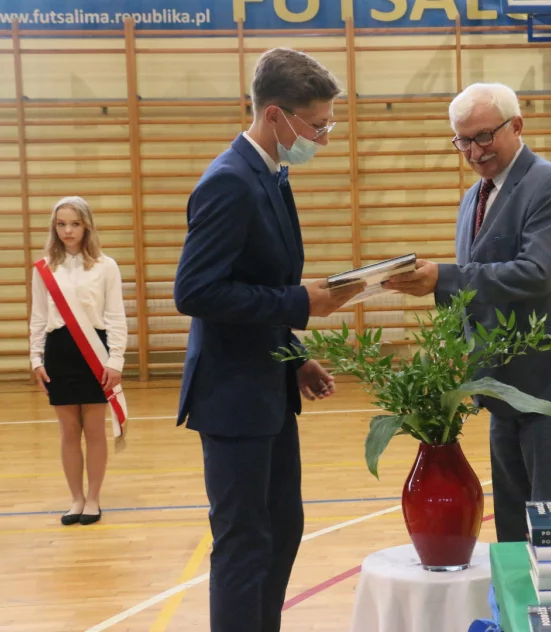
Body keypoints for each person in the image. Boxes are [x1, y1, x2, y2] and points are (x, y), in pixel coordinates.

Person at [173, 48, 363, 632]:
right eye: (317, 126)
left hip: (266, 386)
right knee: (244, 542)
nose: (322, 138)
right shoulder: (230, 181)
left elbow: (257, 280)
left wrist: (295, 357)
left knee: (281, 528)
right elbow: (195, 291)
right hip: (232, 397)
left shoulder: (269, 174)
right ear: (275, 115)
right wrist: (300, 304)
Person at [384, 82, 551, 543]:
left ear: (517, 126)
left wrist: (442, 278)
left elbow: (536, 274)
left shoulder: (550, 183)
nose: (474, 151)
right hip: (501, 385)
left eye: (484, 136)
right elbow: (475, 288)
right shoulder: (474, 196)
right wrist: (456, 351)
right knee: (511, 526)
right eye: (463, 140)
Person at [29, 196, 127, 527]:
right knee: (69, 431)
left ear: (87, 226)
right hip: (59, 351)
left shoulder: (106, 266)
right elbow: (38, 318)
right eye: (61, 224)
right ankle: (76, 498)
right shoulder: (44, 269)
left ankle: (94, 498)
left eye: (75, 224)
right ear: (54, 228)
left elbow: (115, 317)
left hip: (95, 352)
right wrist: (35, 358)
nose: (68, 231)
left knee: (95, 430)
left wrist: (116, 360)